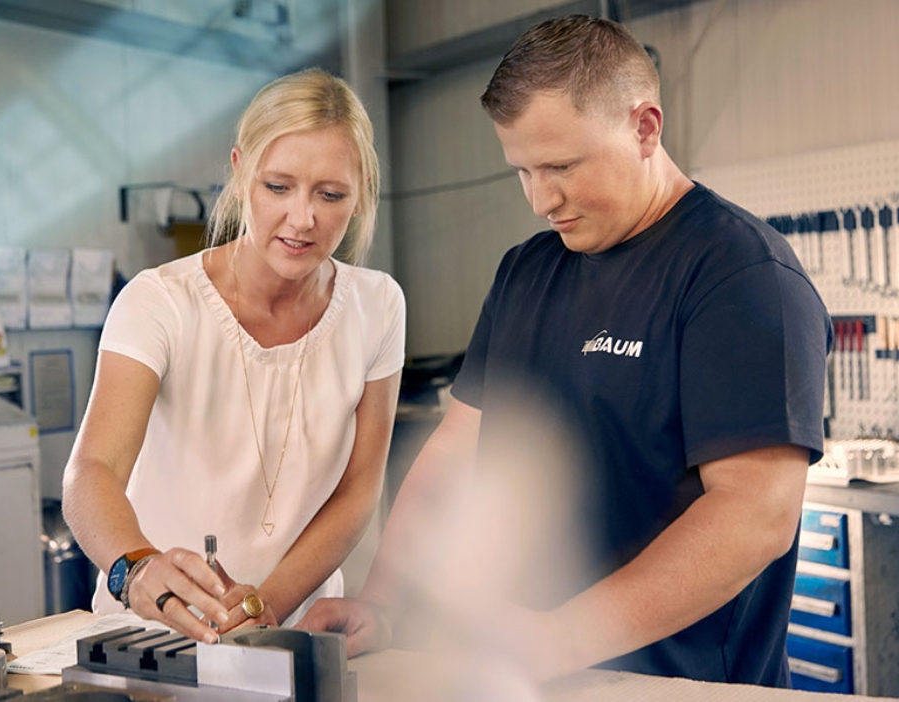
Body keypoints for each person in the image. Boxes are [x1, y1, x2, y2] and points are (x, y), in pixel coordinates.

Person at [298, 15, 831, 688]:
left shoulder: (739, 276)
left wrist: (564, 636)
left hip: (681, 683)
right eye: (521, 171)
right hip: (527, 675)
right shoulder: (526, 273)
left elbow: (755, 515)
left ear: (644, 127)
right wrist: (383, 600)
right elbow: (454, 456)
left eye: (561, 167)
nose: (541, 199)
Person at [62, 67, 406, 645]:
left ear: (360, 195)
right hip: (155, 631)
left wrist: (265, 606)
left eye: (331, 194)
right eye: (278, 187)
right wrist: (138, 567)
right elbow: (91, 473)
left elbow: (357, 490)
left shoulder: (378, 305)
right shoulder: (159, 301)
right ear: (240, 170)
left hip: (299, 629)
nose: (303, 219)